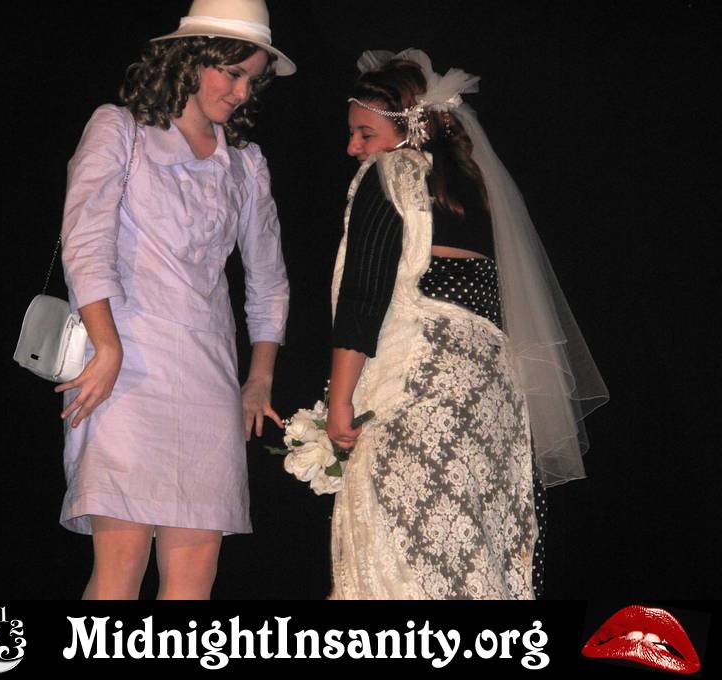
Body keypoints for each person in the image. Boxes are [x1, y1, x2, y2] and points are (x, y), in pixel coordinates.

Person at [326, 50, 608, 599]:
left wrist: (340, 400)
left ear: (409, 131)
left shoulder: (391, 174)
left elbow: (364, 294)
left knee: (402, 547)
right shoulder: (476, 193)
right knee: (476, 542)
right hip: (492, 397)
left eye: (365, 133)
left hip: (422, 386)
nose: (353, 148)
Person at [54, 0, 294, 600]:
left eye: (252, 80)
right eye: (231, 73)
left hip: (208, 375)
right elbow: (85, 243)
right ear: (190, 60)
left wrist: (259, 377)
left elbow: (268, 279)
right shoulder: (121, 129)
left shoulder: (245, 164)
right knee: (121, 566)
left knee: (194, 578)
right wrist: (106, 346)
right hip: (125, 364)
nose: (241, 92)